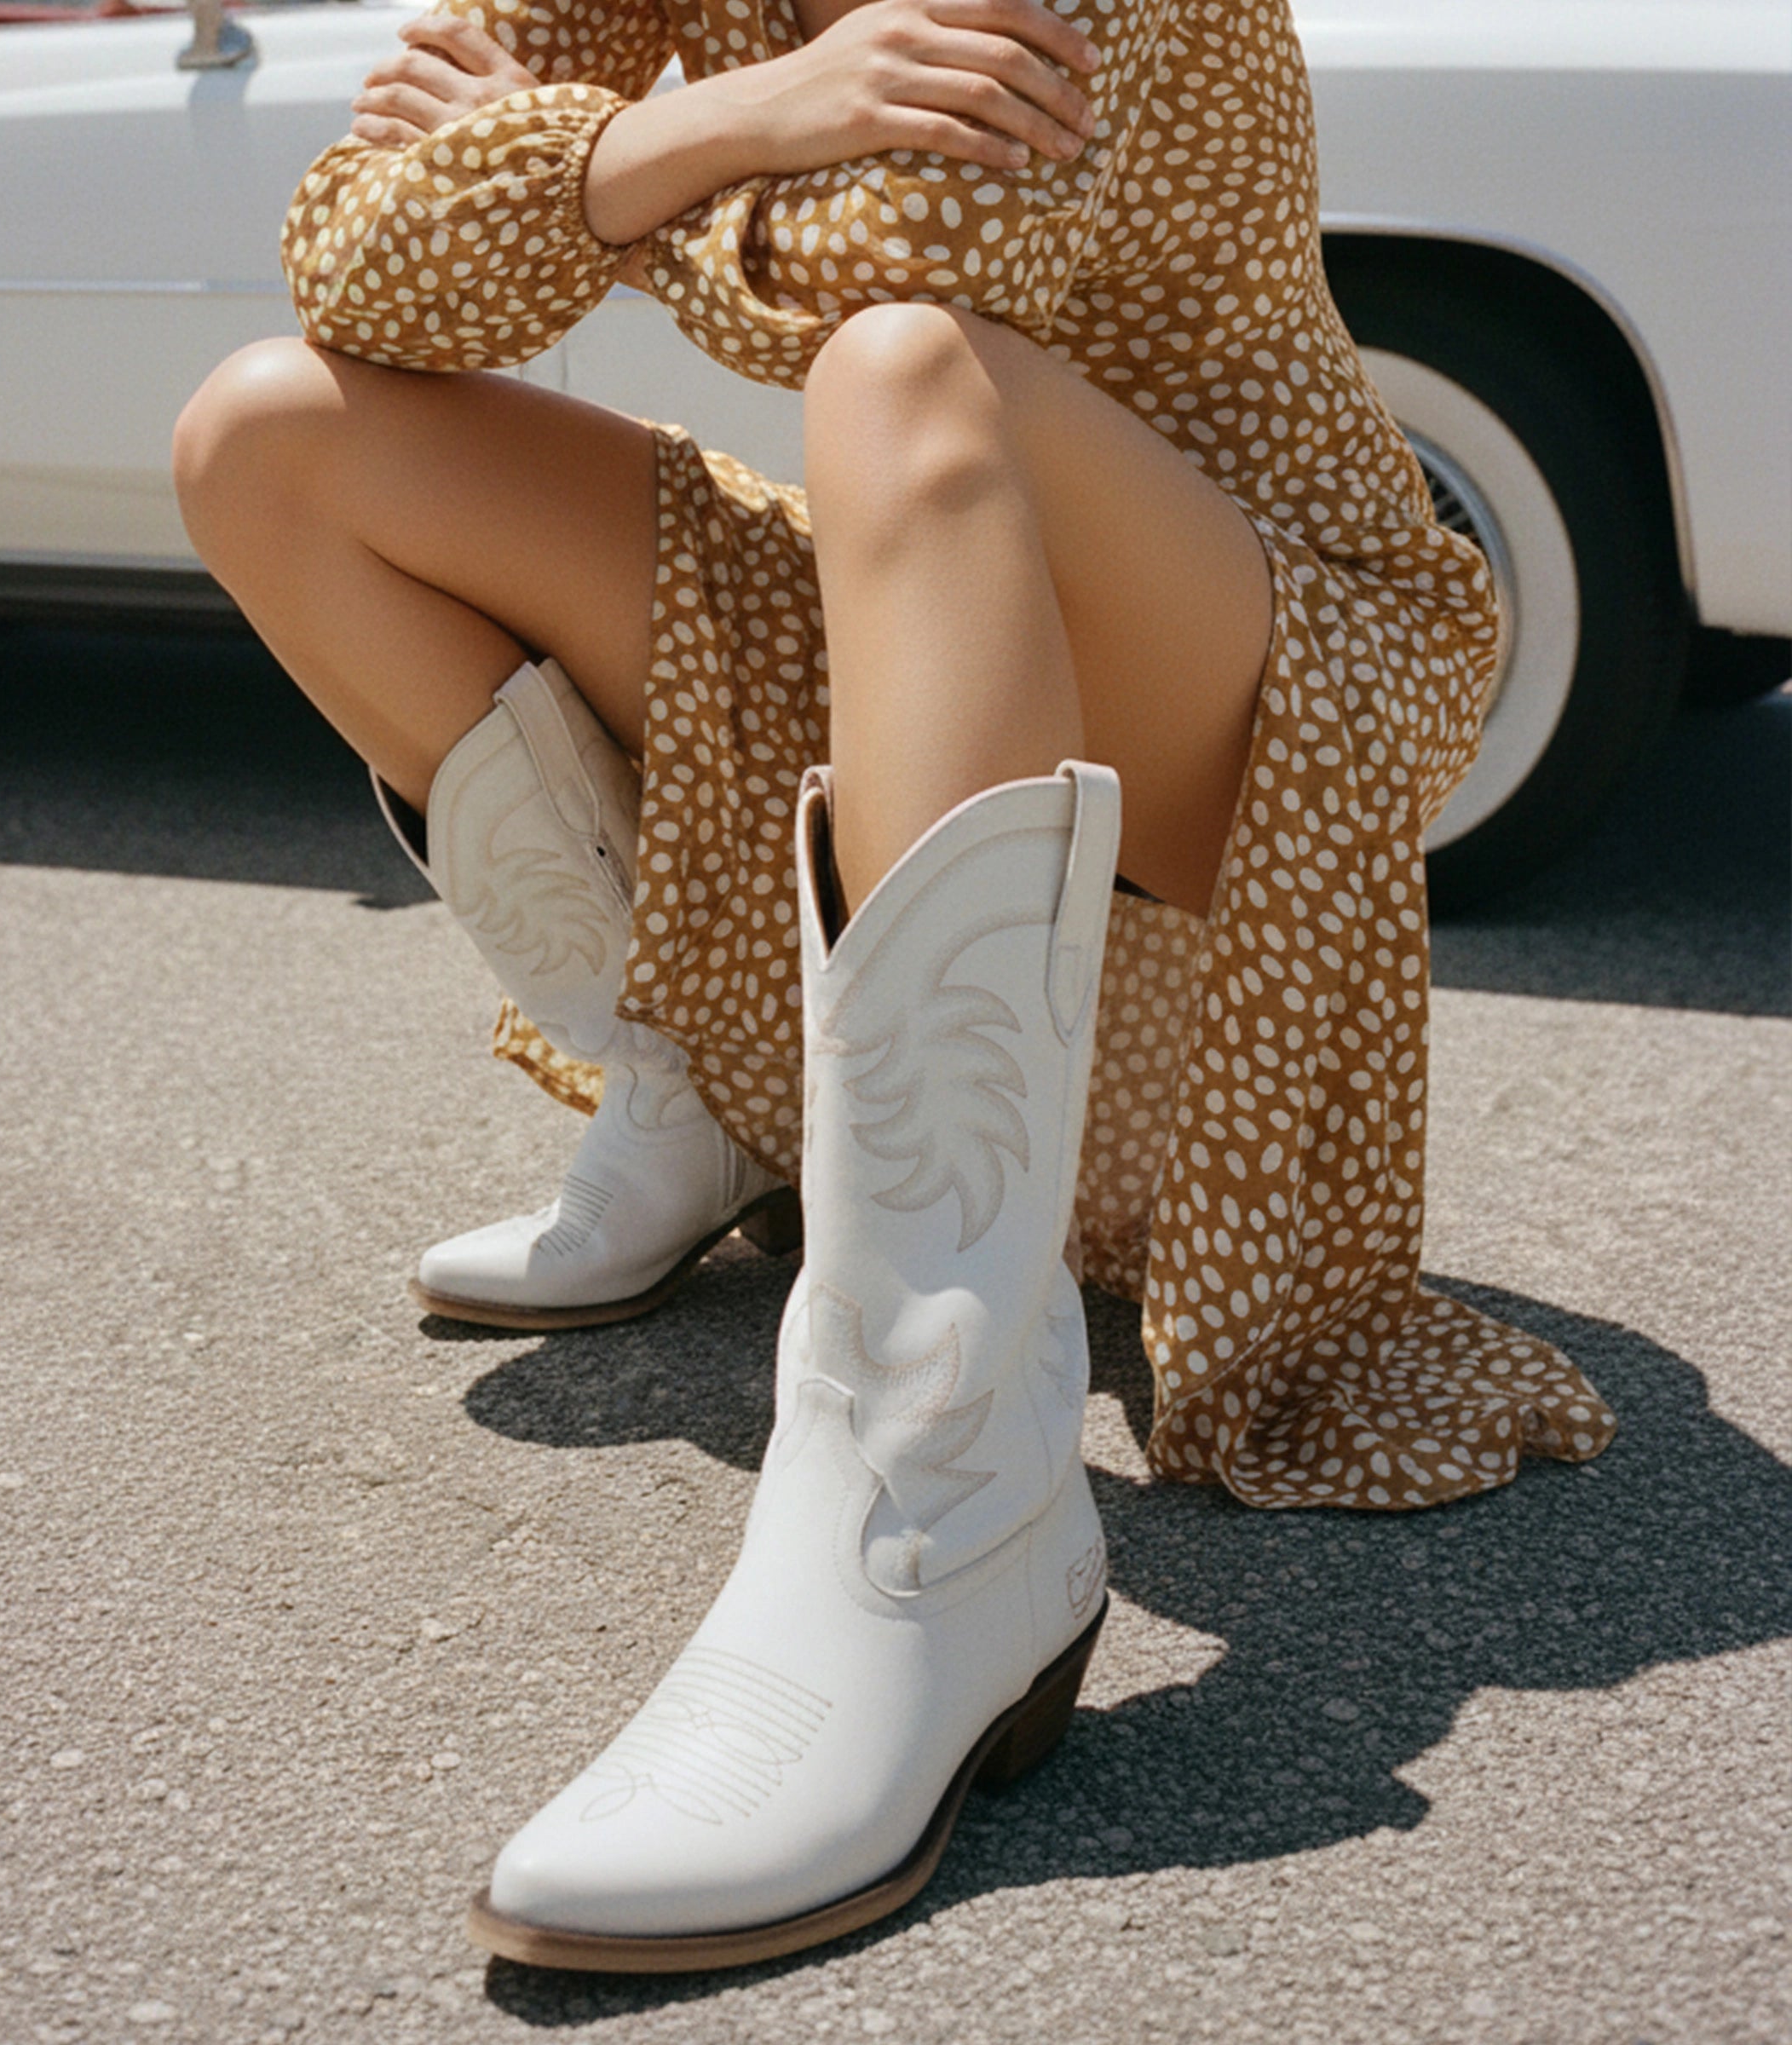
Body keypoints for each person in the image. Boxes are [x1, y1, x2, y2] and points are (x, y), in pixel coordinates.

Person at [173, 0, 1616, 1972]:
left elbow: (925, 258)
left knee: (909, 372)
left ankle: (944, 1502)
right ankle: (697, 1091)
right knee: (273, 436)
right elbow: (356, 257)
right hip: (930, 571)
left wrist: (580, 160)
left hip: (1283, 631)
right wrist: (719, 122)